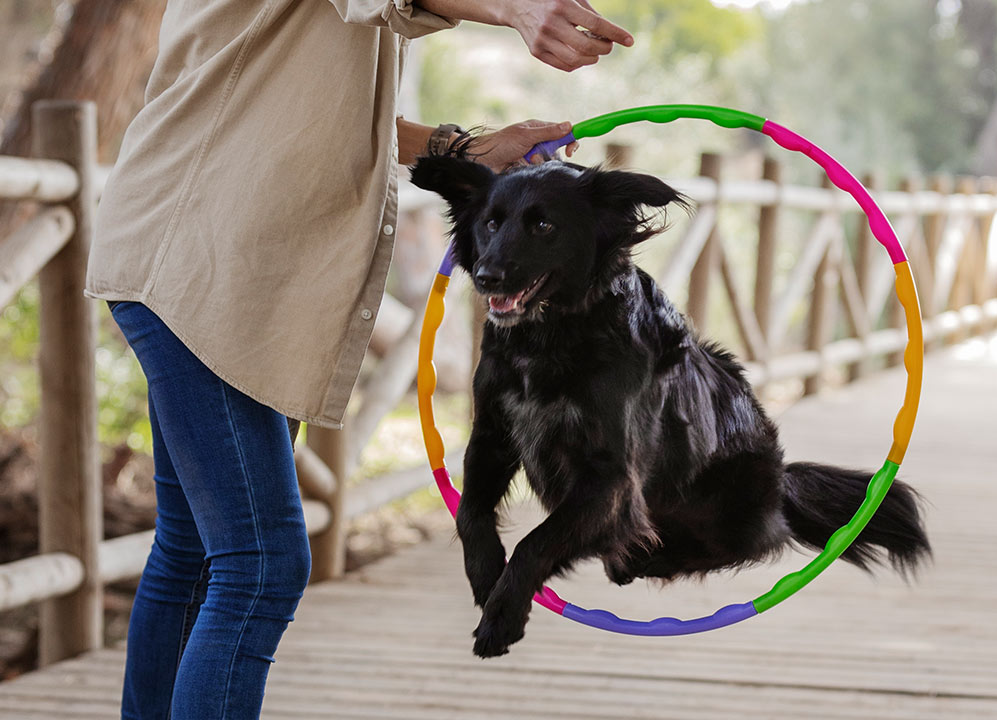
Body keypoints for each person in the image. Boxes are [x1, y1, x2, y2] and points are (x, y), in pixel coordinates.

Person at [85, 1, 632, 717]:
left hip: (225, 274)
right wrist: (515, 9)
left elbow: (312, 111)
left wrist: (463, 147)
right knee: (262, 565)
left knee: (193, 551)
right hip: (196, 264)